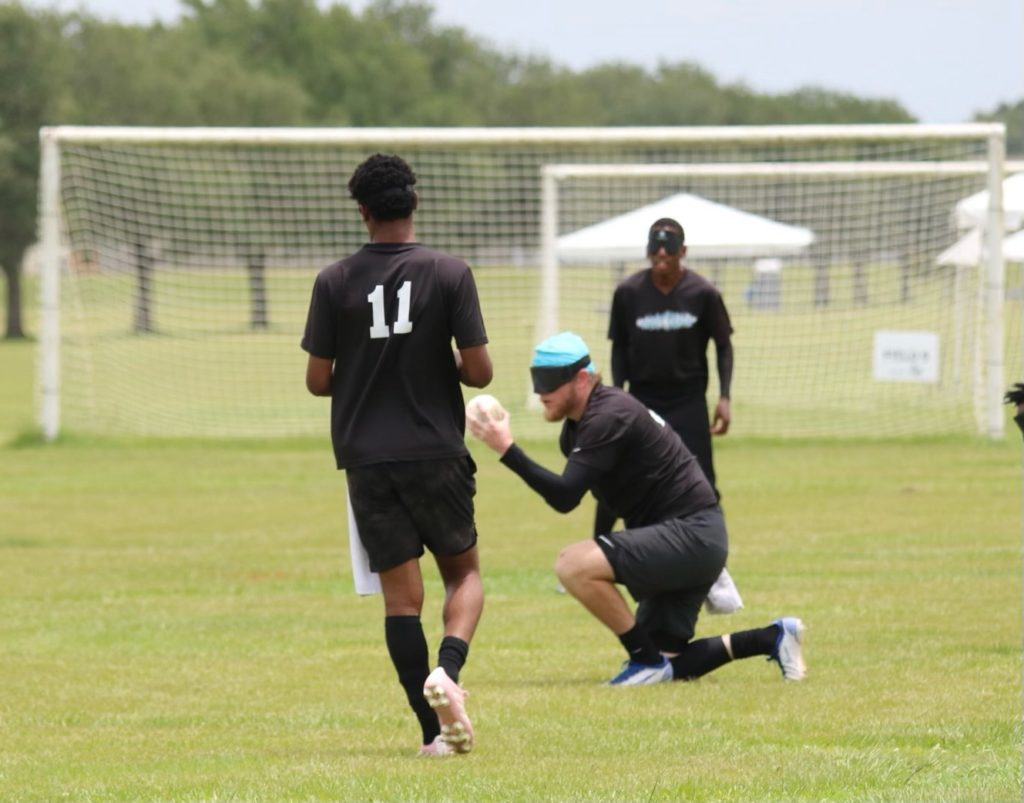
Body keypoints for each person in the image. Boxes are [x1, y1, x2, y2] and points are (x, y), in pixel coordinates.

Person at [467, 331, 806, 686]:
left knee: (571, 564)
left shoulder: (608, 415)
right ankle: (773, 637)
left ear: (582, 379)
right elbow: (604, 495)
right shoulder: (578, 429)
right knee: (670, 660)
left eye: (548, 381)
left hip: (692, 535)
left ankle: (643, 660)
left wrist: (506, 449)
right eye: (536, 381)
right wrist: (604, 547)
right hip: (688, 538)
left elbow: (565, 497)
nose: (539, 392)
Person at [301, 153, 493, 756]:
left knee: (400, 602)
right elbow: (479, 371)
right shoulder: (450, 272)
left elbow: (316, 379)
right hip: (435, 449)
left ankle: (433, 733)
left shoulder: (333, 281)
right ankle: (449, 673)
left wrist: (365, 373)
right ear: (414, 203)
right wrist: (438, 364)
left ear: (362, 211)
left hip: (366, 459)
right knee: (462, 573)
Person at [601, 217, 739, 611]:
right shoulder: (628, 293)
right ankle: (603, 549)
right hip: (643, 400)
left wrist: (724, 397)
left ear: (684, 251)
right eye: (655, 247)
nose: (662, 255)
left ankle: (715, 567)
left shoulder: (703, 293)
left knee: (703, 483)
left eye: (670, 247)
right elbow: (618, 347)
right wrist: (618, 394)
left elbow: (724, 346)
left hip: (688, 400)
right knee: (621, 476)